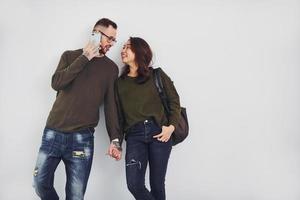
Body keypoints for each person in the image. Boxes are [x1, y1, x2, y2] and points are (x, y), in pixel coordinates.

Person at [33, 18, 122, 200]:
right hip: (53, 133)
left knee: (76, 195)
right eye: (110, 38)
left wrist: (115, 139)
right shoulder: (69, 56)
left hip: (82, 139)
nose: (112, 43)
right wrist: (85, 57)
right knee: (40, 184)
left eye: (114, 40)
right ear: (96, 34)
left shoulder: (110, 69)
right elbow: (57, 83)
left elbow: (111, 106)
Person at [116, 37, 181, 200]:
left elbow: (174, 101)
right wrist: (116, 141)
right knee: (134, 184)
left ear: (139, 51)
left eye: (128, 47)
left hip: (159, 132)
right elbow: (117, 116)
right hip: (134, 136)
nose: (123, 50)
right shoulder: (119, 83)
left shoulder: (157, 75)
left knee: (157, 185)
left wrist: (171, 127)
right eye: (122, 47)